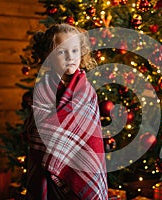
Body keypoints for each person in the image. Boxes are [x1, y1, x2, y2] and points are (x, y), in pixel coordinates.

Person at [24, 23, 108, 200]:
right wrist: (54, 135)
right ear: (49, 56)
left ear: (81, 52)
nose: (70, 57)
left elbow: (91, 136)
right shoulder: (43, 88)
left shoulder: (87, 90)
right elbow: (35, 131)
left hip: (79, 162)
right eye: (62, 52)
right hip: (46, 168)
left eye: (75, 51)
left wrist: (56, 135)